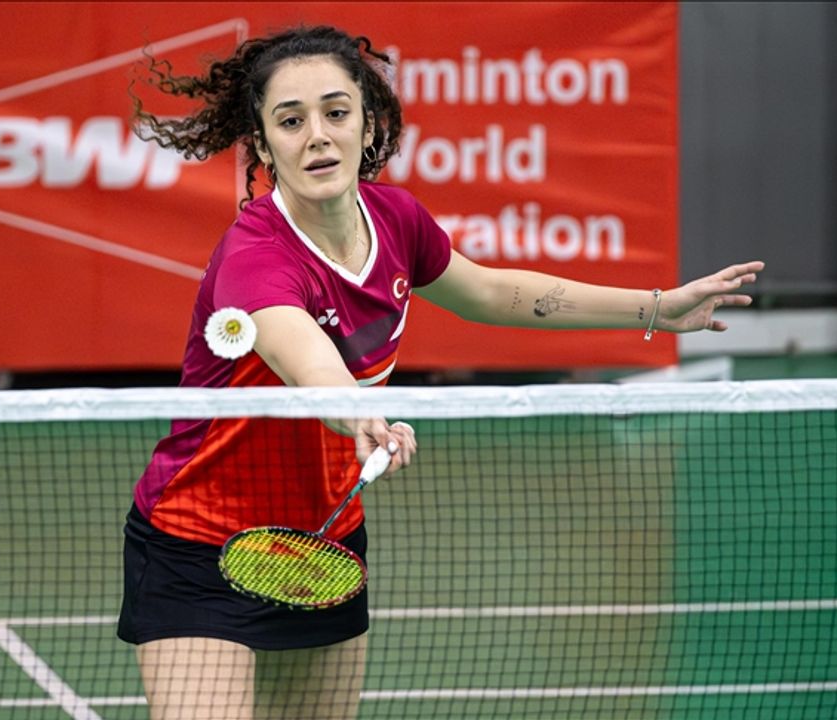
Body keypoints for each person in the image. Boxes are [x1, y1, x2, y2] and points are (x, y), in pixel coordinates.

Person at [119, 25, 763, 720]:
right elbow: (305, 359)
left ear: (369, 124)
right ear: (264, 143)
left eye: (336, 113)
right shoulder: (257, 256)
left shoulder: (396, 221)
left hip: (322, 542)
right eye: (291, 120)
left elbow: (490, 292)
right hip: (199, 542)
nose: (318, 136)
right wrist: (360, 415)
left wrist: (656, 308)